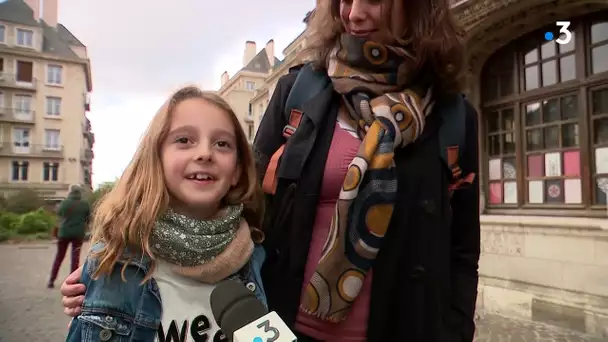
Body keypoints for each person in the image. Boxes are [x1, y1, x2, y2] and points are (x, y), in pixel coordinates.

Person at [61, 0, 481, 340]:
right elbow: (235, 201)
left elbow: (462, 250)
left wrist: (458, 329)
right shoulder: (301, 89)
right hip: (278, 327)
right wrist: (120, 263)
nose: (353, 13)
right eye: (344, 0)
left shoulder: (453, 115)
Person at [65, 86, 265, 341]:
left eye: (222, 144)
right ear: (156, 159)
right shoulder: (112, 262)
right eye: (184, 140)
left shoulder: (257, 261)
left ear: (237, 171)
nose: (205, 153)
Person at [48, 184, 90, 289]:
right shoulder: (84, 204)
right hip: (78, 234)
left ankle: (51, 280)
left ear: (70, 192)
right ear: (79, 192)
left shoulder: (64, 203)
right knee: (75, 258)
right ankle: (73, 282)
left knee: (59, 257)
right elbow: (88, 219)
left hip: (64, 233)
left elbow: (59, 215)